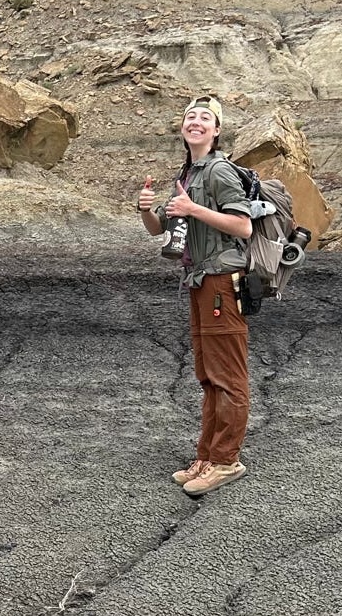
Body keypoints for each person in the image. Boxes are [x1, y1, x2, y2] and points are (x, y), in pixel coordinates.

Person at [137, 95, 252, 497]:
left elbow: (243, 227)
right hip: (200, 282)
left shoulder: (220, 171)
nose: (196, 122)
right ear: (182, 128)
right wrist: (148, 210)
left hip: (222, 282)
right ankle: (206, 456)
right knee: (208, 376)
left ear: (217, 131)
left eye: (206, 118)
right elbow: (160, 231)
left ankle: (226, 461)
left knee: (228, 377)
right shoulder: (189, 173)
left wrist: (194, 209)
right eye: (191, 116)